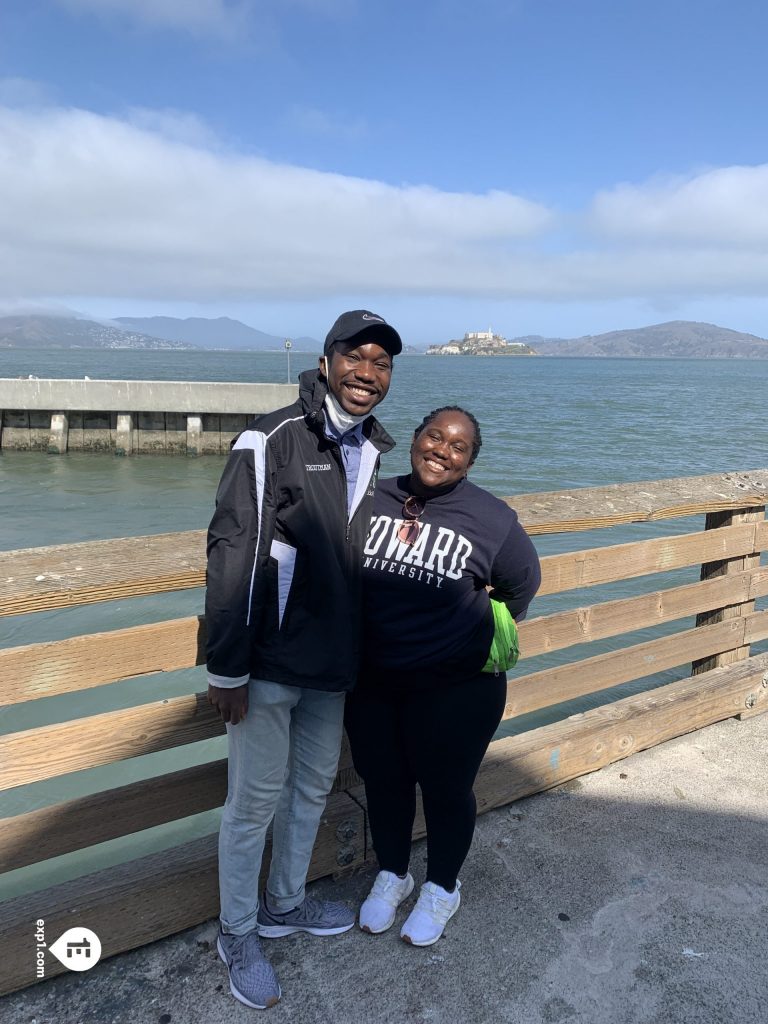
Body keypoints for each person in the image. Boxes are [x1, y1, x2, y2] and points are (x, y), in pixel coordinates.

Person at [205, 310, 401, 1009]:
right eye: (355, 358)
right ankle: (237, 932)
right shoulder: (272, 438)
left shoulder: (373, 450)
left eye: (380, 364)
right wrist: (225, 668)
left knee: (311, 789)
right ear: (326, 363)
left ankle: (285, 903)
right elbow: (232, 553)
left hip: (333, 664)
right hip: (267, 663)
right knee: (252, 803)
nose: (367, 373)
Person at [344, 406, 541, 947]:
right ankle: (393, 873)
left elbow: (523, 582)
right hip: (376, 683)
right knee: (384, 783)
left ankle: (442, 887)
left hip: (458, 687)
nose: (442, 450)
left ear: (470, 461)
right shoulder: (370, 497)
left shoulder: (491, 517)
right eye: (435, 437)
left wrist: (459, 629)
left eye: (458, 447)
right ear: (414, 439)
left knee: (447, 790)